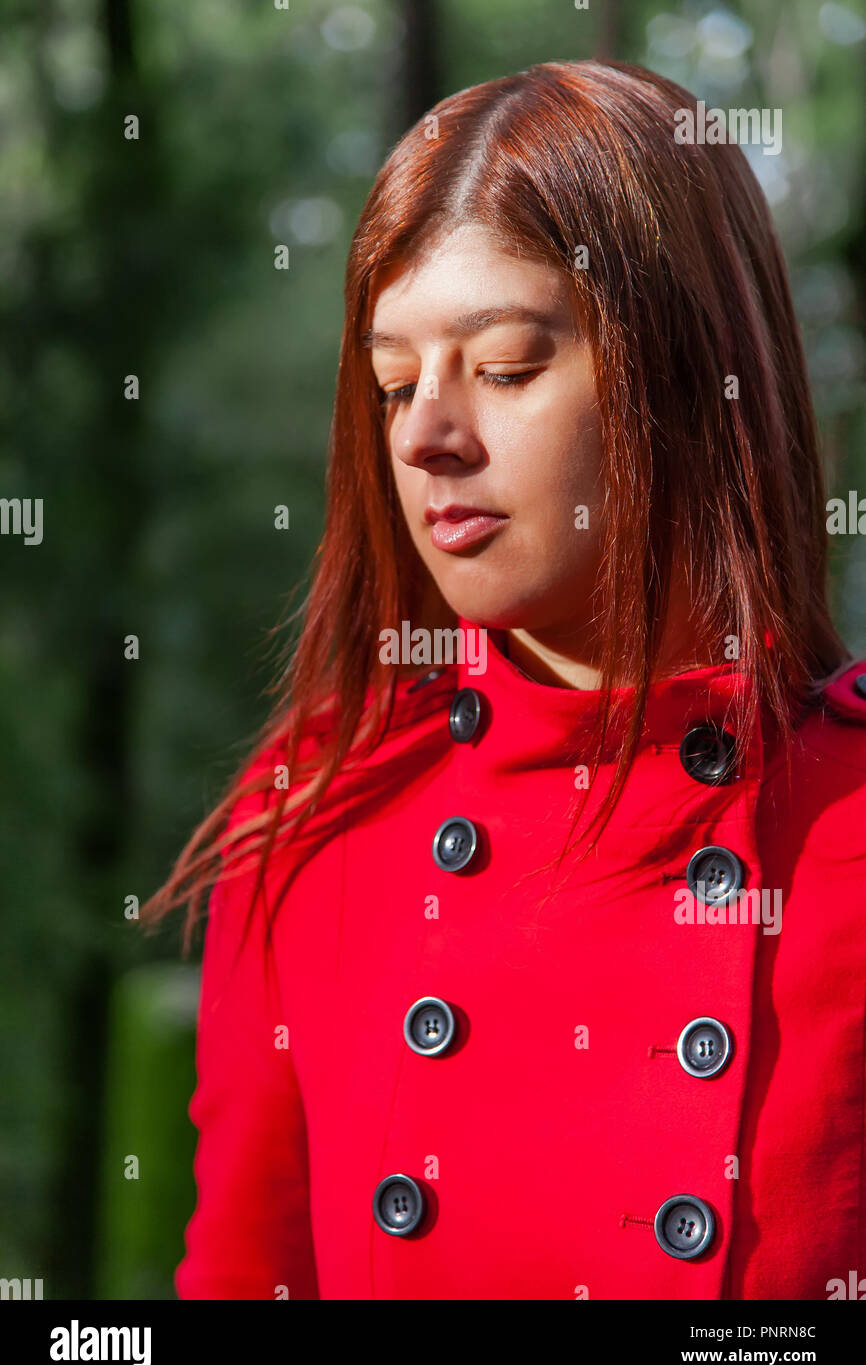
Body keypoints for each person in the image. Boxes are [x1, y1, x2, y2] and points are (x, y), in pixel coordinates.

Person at [141, 58, 866, 1301]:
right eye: (391, 382)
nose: (423, 430)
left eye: (506, 365)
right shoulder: (314, 823)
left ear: (685, 375)